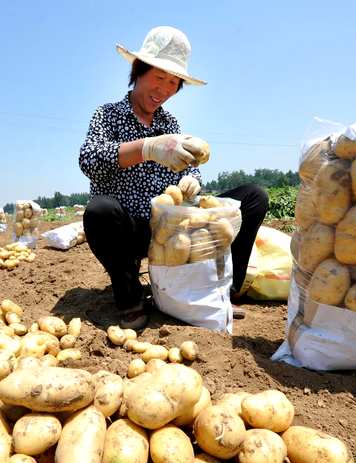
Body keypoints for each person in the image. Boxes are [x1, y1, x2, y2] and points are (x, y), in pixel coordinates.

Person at [79, 26, 268, 330]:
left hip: (175, 228)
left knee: (253, 197)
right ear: (138, 71)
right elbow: (89, 160)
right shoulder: (108, 114)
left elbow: (187, 164)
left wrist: (191, 178)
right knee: (99, 211)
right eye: (159, 78)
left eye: (173, 82)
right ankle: (130, 297)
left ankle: (224, 291)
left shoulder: (170, 122)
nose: (165, 89)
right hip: (135, 230)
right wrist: (147, 148)